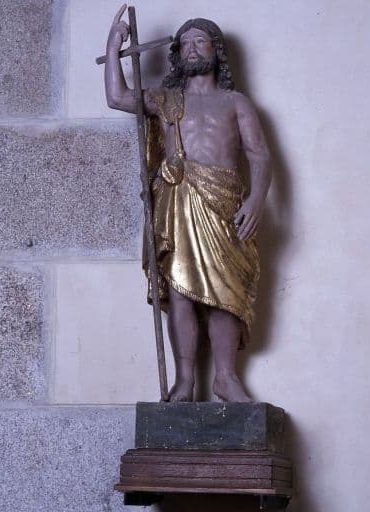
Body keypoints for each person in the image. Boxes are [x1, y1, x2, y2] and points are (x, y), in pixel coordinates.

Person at [105, 5, 271, 402]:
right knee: (180, 288)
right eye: (185, 43)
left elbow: (260, 155)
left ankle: (226, 378)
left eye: (201, 41)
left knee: (225, 291)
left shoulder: (236, 102)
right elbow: (117, 96)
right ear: (178, 53)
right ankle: (185, 381)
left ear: (216, 50)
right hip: (178, 199)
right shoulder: (166, 100)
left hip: (225, 203)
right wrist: (113, 47)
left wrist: (256, 200)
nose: (193, 47)